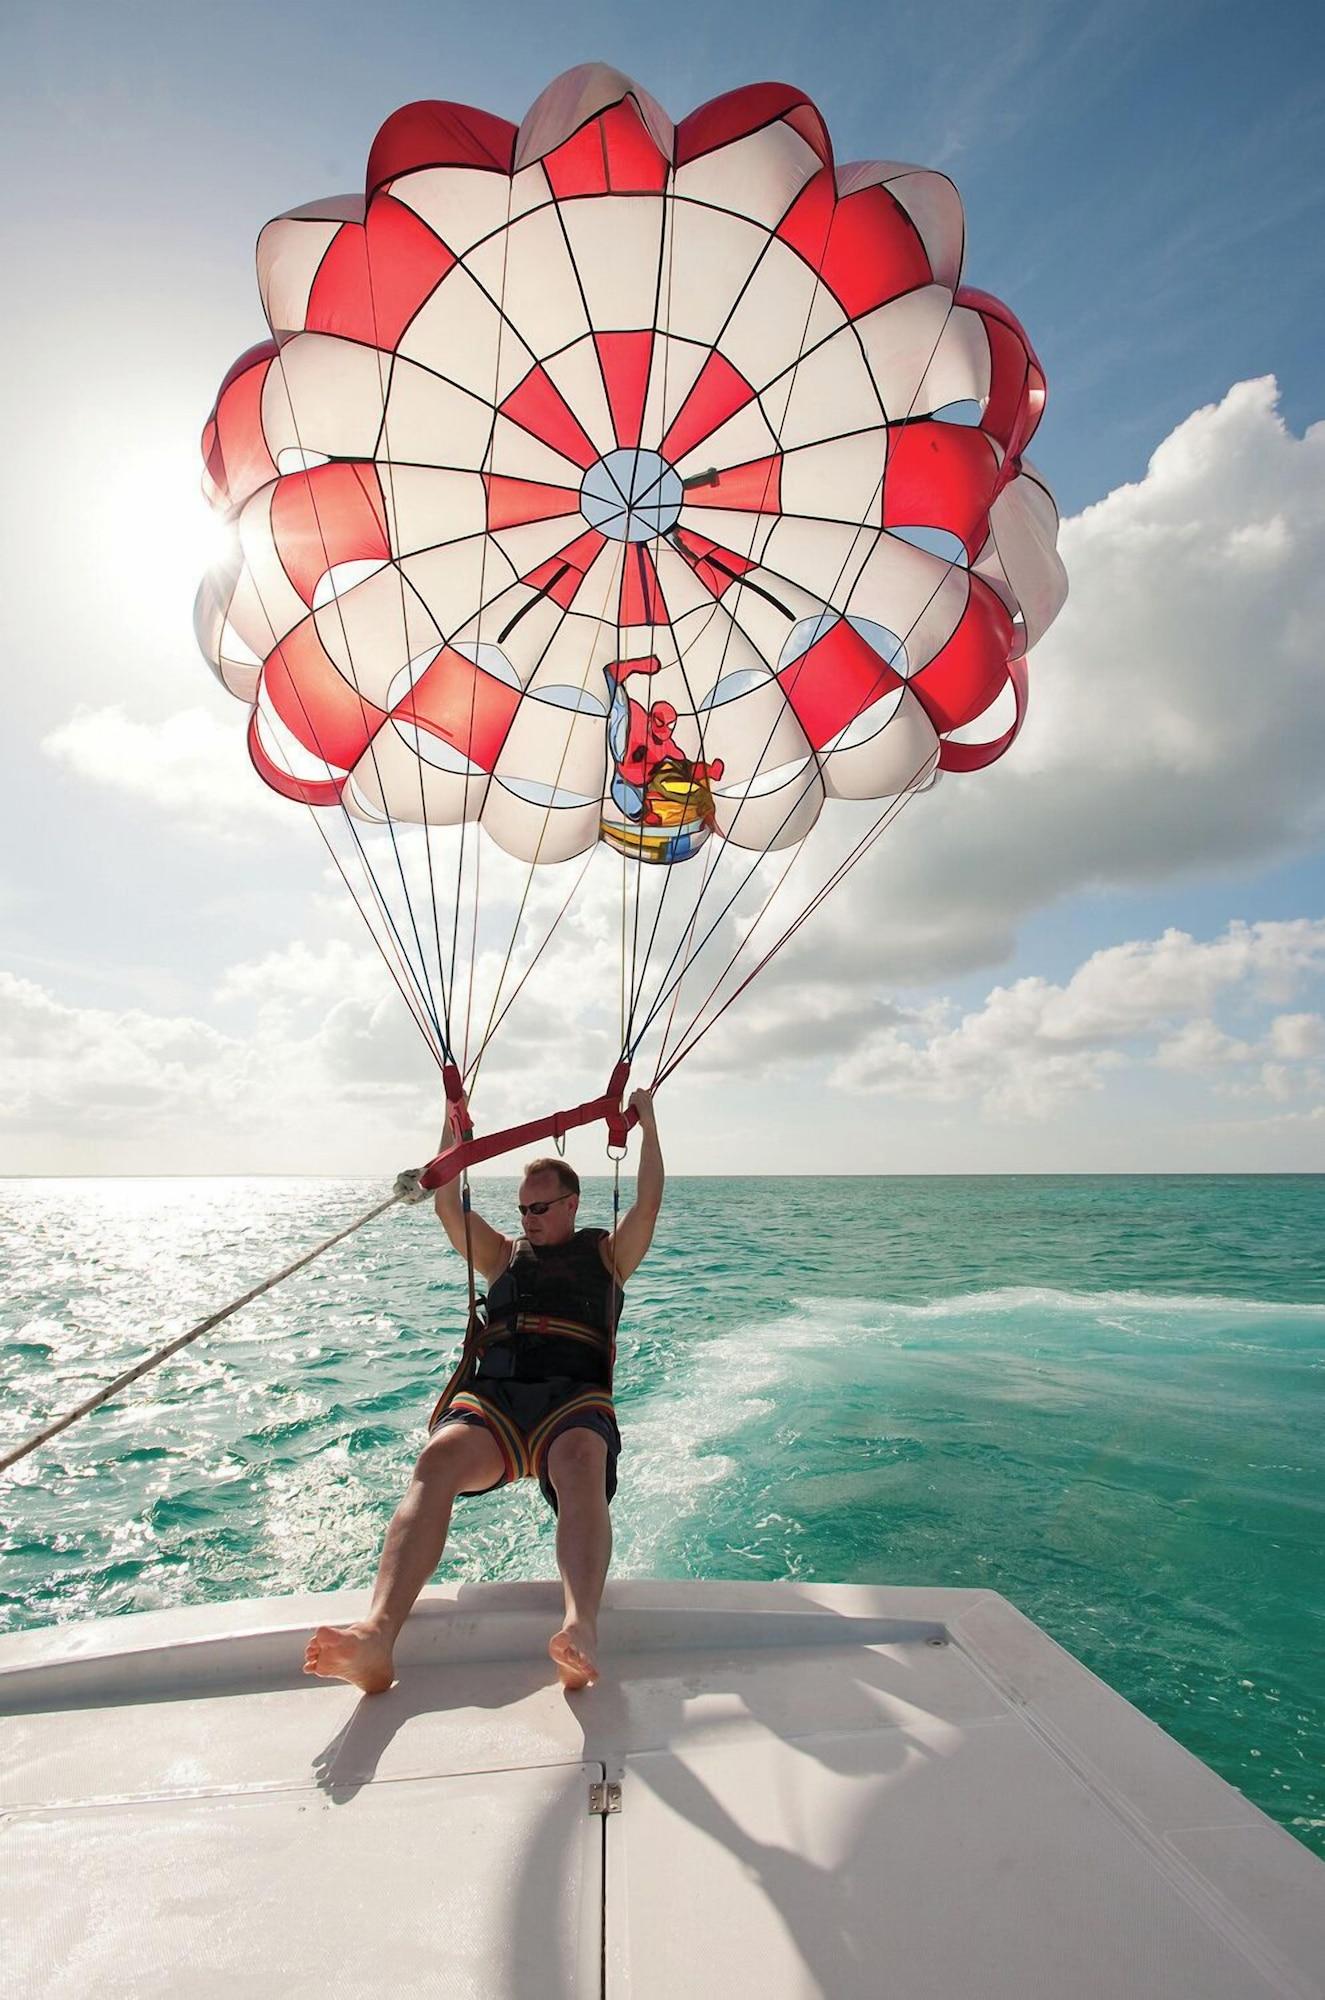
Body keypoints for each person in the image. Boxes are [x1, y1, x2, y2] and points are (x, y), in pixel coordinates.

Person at [303, 1087, 663, 1696]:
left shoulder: (608, 1257)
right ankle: (377, 1636)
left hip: (572, 1404)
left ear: (572, 1204)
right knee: (438, 1459)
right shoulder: (501, 1255)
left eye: (540, 1208)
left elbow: (648, 1203)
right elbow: (448, 1203)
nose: (528, 1219)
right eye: (522, 1209)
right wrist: (453, 1129)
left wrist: (648, 1124)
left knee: (581, 1461)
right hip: (497, 1401)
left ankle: (580, 1628)